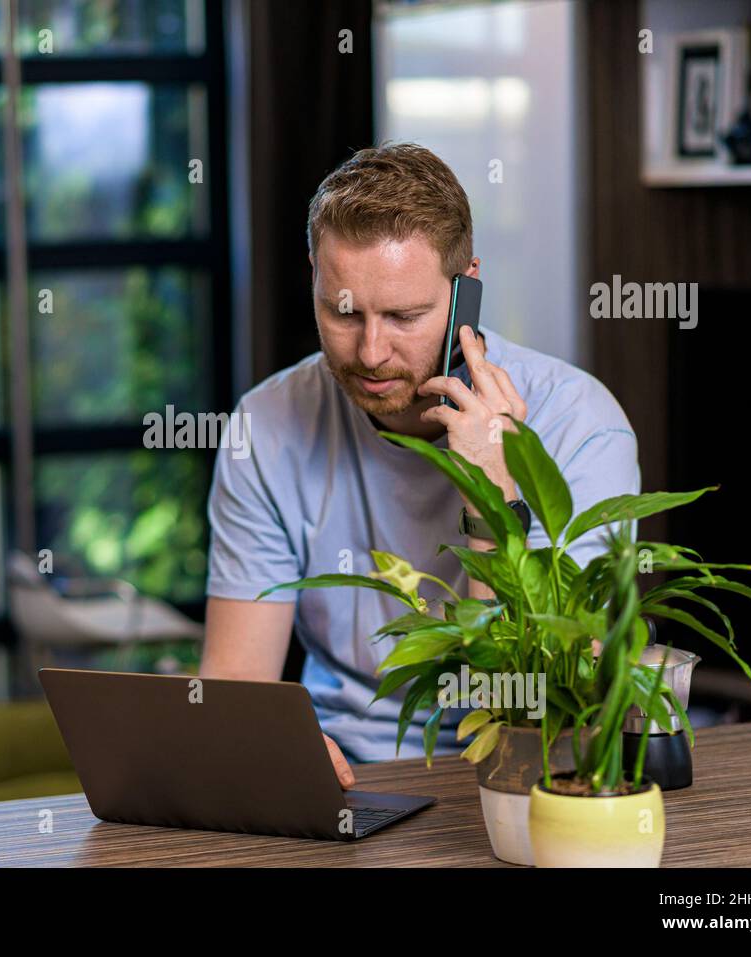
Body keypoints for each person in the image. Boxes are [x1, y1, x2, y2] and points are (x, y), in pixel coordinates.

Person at [200, 142, 639, 786]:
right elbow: (234, 684)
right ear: (315, 281)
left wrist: (492, 496)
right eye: (343, 312)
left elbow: (546, 707)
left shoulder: (579, 422)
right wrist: (268, 747)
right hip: (341, 780)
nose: (372, 352)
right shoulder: (265, 426)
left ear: (467, 293)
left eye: (405, 317)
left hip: (519, 774)